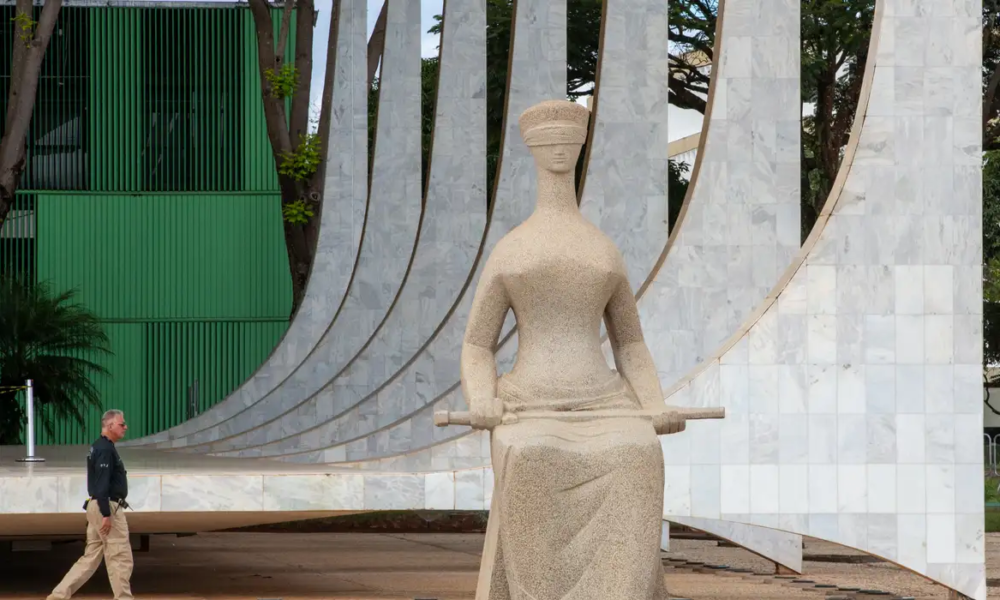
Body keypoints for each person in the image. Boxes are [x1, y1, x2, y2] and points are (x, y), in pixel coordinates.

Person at [462, 99, 684, 600]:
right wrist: (482, 396)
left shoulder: (602, 249)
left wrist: (653, 403)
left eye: (569, 141)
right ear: (534, 150)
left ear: (579, 149)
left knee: (638, 452)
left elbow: (630, 343)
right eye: (550, 142)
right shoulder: (512, 250)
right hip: (529, 403)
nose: (560, 149)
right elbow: (477, 344)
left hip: (604, 401)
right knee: (534, 453)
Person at [47, 409, 133, 600]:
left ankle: (58, 596)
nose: (125, 427)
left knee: (90, 557)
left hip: (98, 505)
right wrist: (106, 514)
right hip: (106, 506)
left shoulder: (100, 447)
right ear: (109, 426)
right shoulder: (104, 449)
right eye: (122, 424)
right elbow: (102, 484)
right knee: (119, 557)